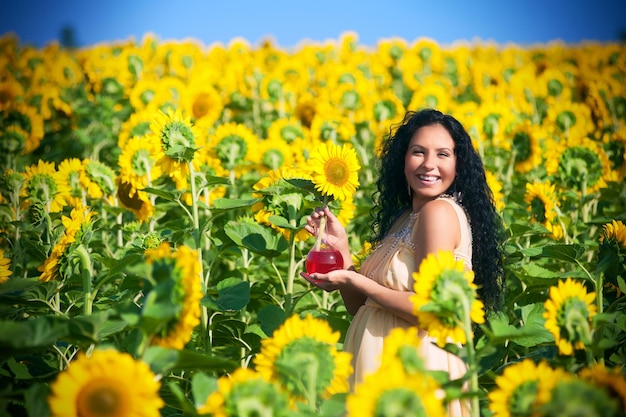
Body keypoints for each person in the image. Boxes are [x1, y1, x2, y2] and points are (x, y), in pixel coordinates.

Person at [301, 108, 504, 416]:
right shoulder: (407, 217)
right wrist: (342, 251)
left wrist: (354, 279)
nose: (429, 164)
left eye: (443, 154)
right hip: (382, 367)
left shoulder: (438, 213)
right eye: (418, 152)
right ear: (403, 160)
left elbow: (429, 310)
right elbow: (363, 306)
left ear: (459, 164)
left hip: (414, 371)